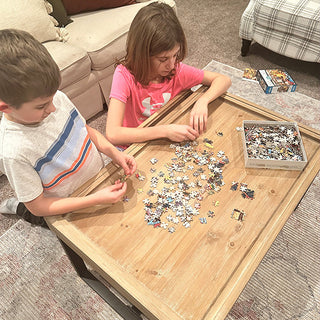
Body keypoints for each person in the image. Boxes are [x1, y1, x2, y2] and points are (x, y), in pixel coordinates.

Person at [0, 29, 136, 227]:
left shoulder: (57, 99)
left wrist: (114, 153)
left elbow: (86, 131)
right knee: (34, 213)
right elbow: (38, 207)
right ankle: (16, 206)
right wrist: (95, 199)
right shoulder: (12, 151)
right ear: (6, 107)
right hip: (64, 204)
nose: (53, 108)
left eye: (52, 97)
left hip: (95, 180)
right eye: (41, 106)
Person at [106, 2, 231, 148]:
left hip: (162, 143)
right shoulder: (124, 76)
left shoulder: (176, 71)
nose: (171, 65)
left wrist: (203, 101)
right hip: (132, 148)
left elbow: (223, 80)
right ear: (142, 54)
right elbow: (113, 134)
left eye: (175, 55)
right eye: (163, 59)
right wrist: (165, 131)